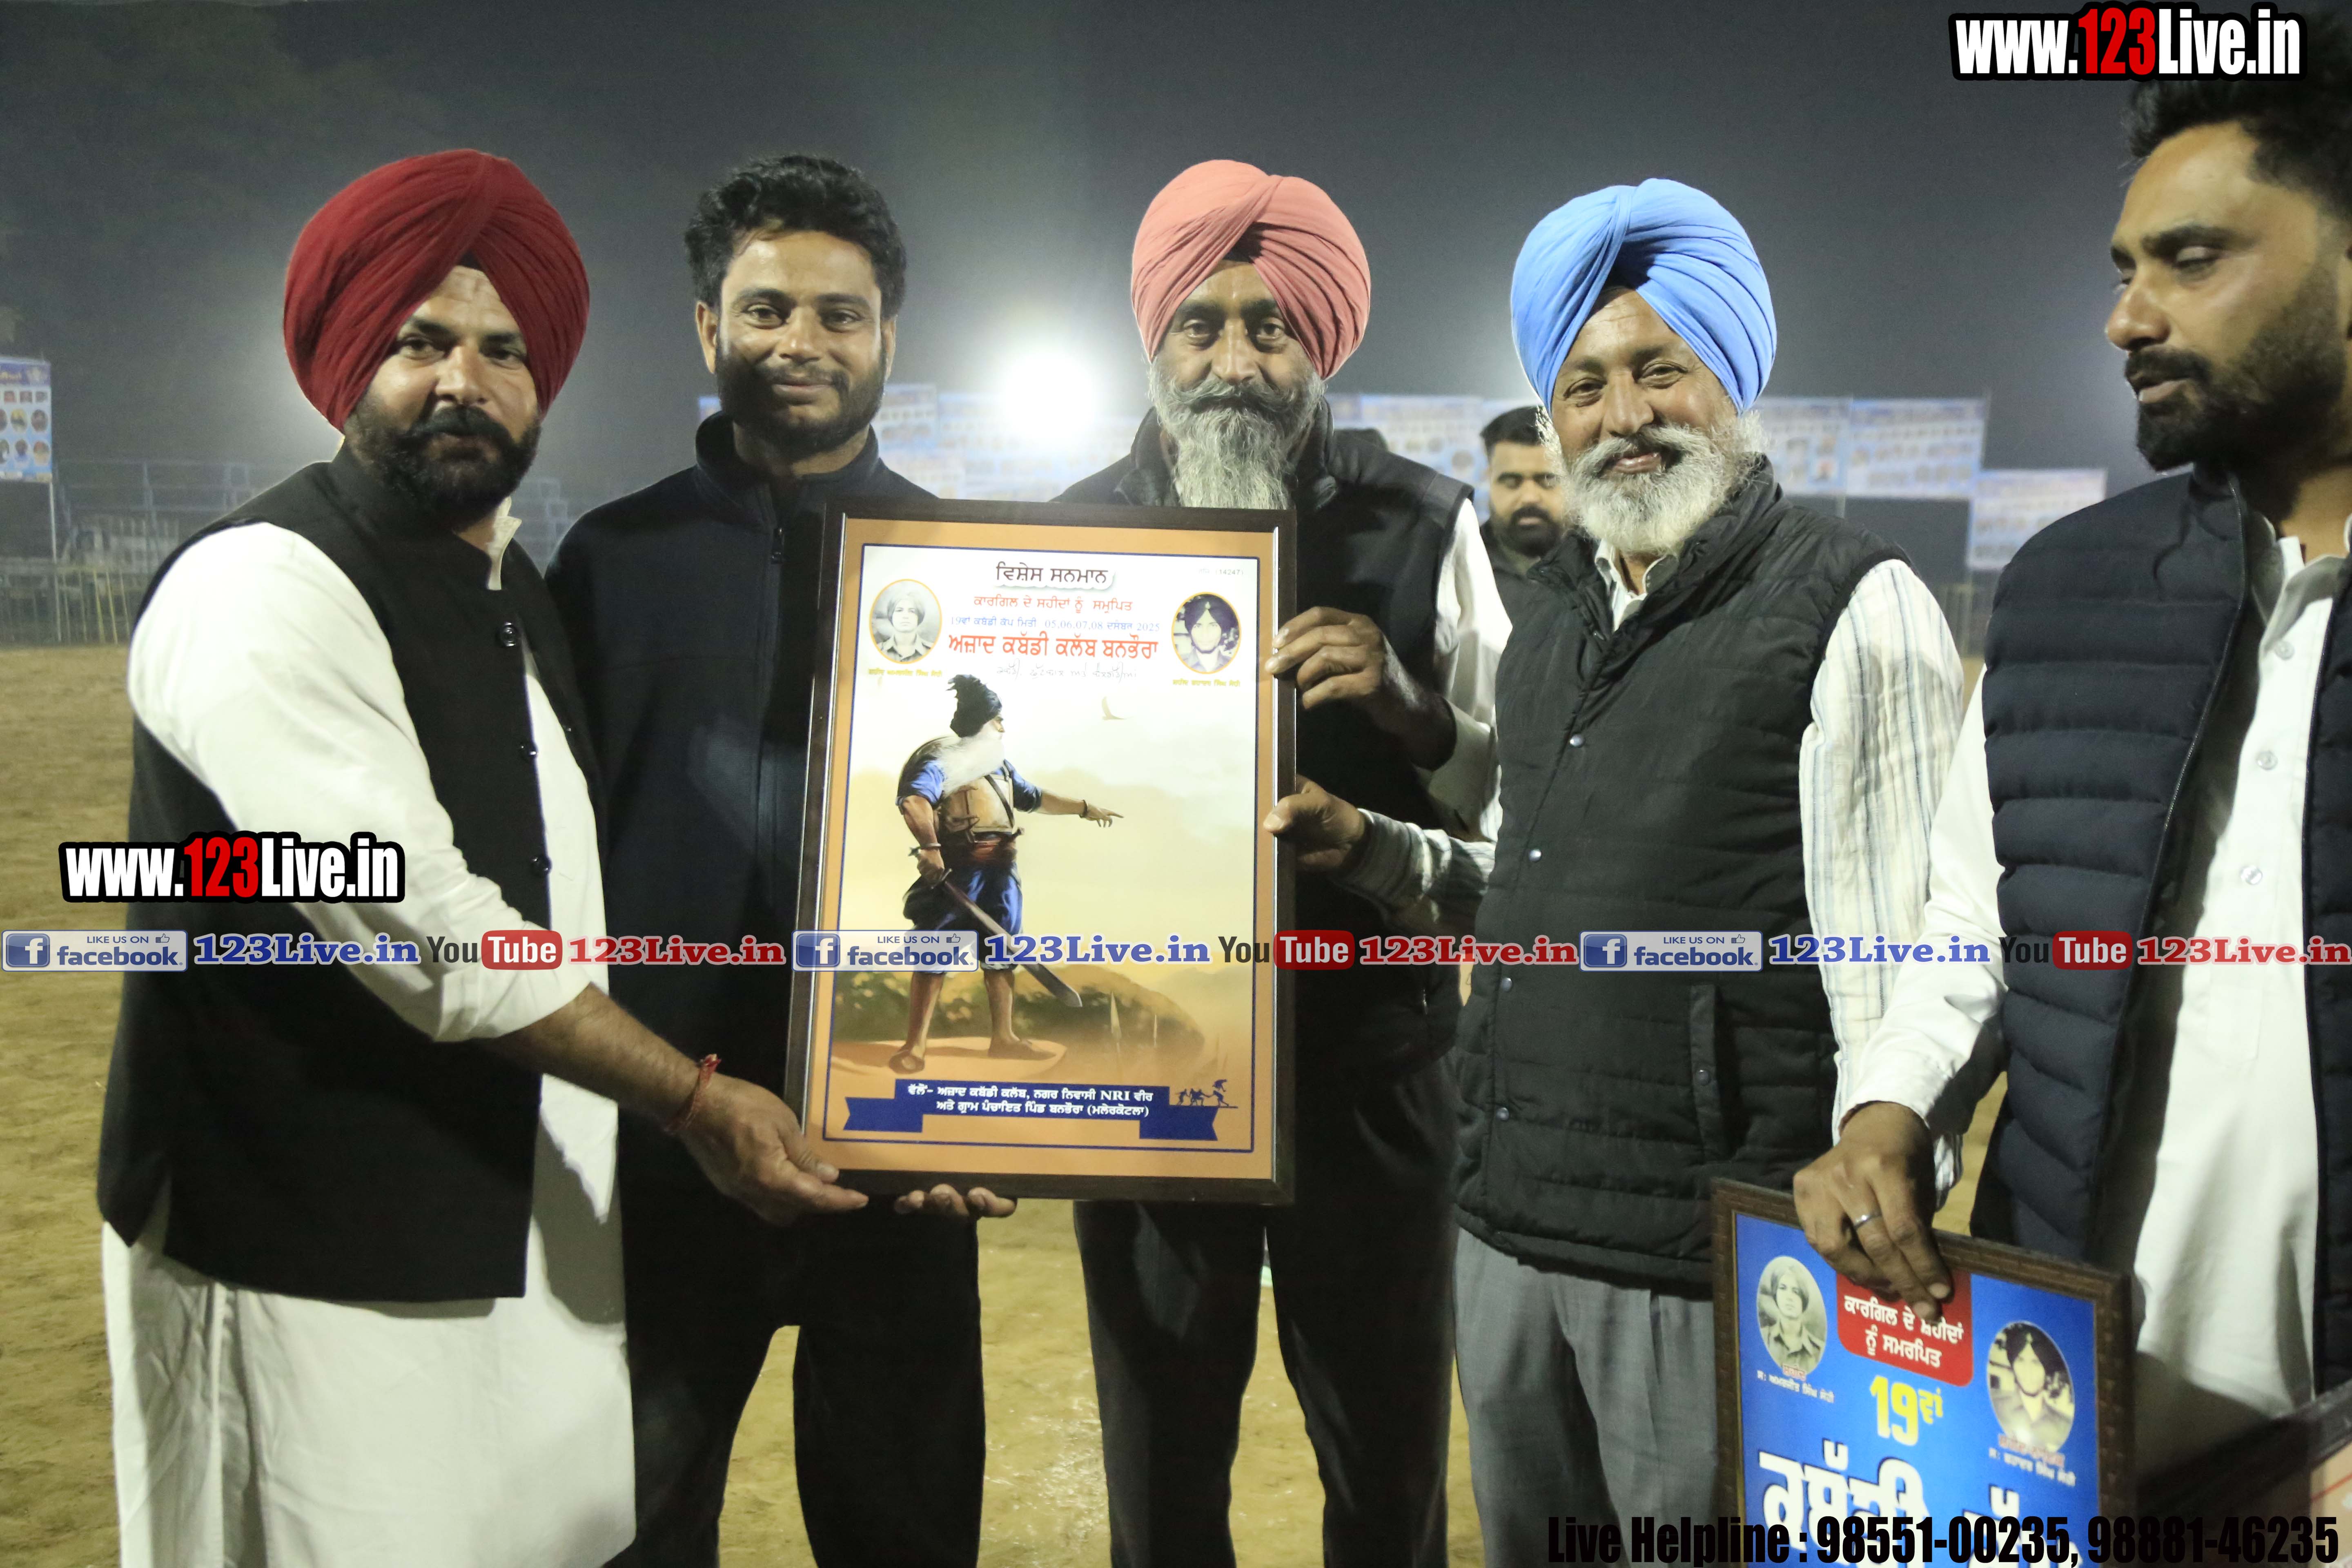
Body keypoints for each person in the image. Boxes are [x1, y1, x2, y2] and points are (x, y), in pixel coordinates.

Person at [99, 150, 862, 1568]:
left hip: (530, 1236)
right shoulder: (261, 586)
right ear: (347, 359)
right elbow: (434, 934)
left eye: (505, 350)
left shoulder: (511, 587)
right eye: (421, 341)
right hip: (307, 1251)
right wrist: (697, 1098)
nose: (466, 380)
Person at [1264, 177, 1961, 1552]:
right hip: (1506, 1228)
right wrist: (1375, 851)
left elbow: (1910, 943)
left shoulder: (1850, 603)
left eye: (1661, 371)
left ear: (1734, 381)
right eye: (1583, 387)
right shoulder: (1558, 621)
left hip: (1702, 1256)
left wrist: (1892, 1141)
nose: (1623, 416)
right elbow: (1536, 901)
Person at [1794, 22, 2352, 1481]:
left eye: (2190, 259)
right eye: (2123, 269)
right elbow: (1976, 931)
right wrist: (1889, 1110)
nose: (2125, 318)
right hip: (2058, 1421)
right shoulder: (2063, 589)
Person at [1058, 158, 1511, 1568]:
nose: (1237, 361)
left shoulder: (1426, 522)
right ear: (1155, 339)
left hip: (1370, 1067)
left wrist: (1412, 709)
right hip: (1145, 1071)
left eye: (1273, 327)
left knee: (1387, 1466)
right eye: (1202, 325)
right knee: (1161, 1469)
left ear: (1323, 342)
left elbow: (1519, 797)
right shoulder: (1067, 537)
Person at [547, 155, 996, 1568]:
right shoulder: (608, 562)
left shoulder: (974, 565)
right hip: (664, 1139)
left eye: (839, 315)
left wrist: (995, 1120)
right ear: (707, 329)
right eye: (766, 311)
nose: (802, 341)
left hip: (900, 1156)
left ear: (888, 338)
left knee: (904, 1533)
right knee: (631, 1529)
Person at [893, 674, 1120, 1072]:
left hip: (1001, 873)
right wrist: (930, 848)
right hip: (957, 871)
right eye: (997, 720)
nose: (1002, 728)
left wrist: (1085, 808)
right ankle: (915, 1047)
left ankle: (1004, 1039)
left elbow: (1034, 798)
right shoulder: (940, 762)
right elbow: (915, 801)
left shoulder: (998, 767)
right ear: (982, 724)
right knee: (934, 951)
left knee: (1002, 954)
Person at [1477, 403, 1571, 623]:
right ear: (1489, 478)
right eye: (1512, 481)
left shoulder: (1611, 567)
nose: (1529, 497)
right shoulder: (1458, 568)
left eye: (1548, 479)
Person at [1174, 591, 1242, 673]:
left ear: (1223, 630)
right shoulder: (1175, 665)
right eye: (1198, 626)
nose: (1205, 635)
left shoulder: (1237, 666)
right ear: (1190, 631)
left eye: (1213, 626)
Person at [873, 581, 936, 662]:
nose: (905, 616)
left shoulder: (933, 651)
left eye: (912, 611)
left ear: (919, 617)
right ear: (891, 615)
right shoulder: (877, 650)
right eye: (899, 610)